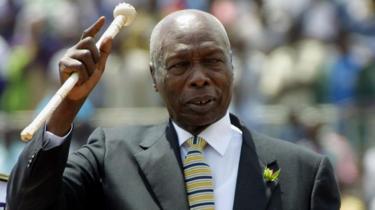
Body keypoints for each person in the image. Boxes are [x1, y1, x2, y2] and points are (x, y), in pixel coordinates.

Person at [6, 9, 340, 210]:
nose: (199, 78)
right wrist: (67, 107)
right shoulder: (110, 157)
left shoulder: (304, 174)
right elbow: (28, 206)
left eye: (212, 61)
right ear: (155, 77)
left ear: (232, 66)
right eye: (180, 65)